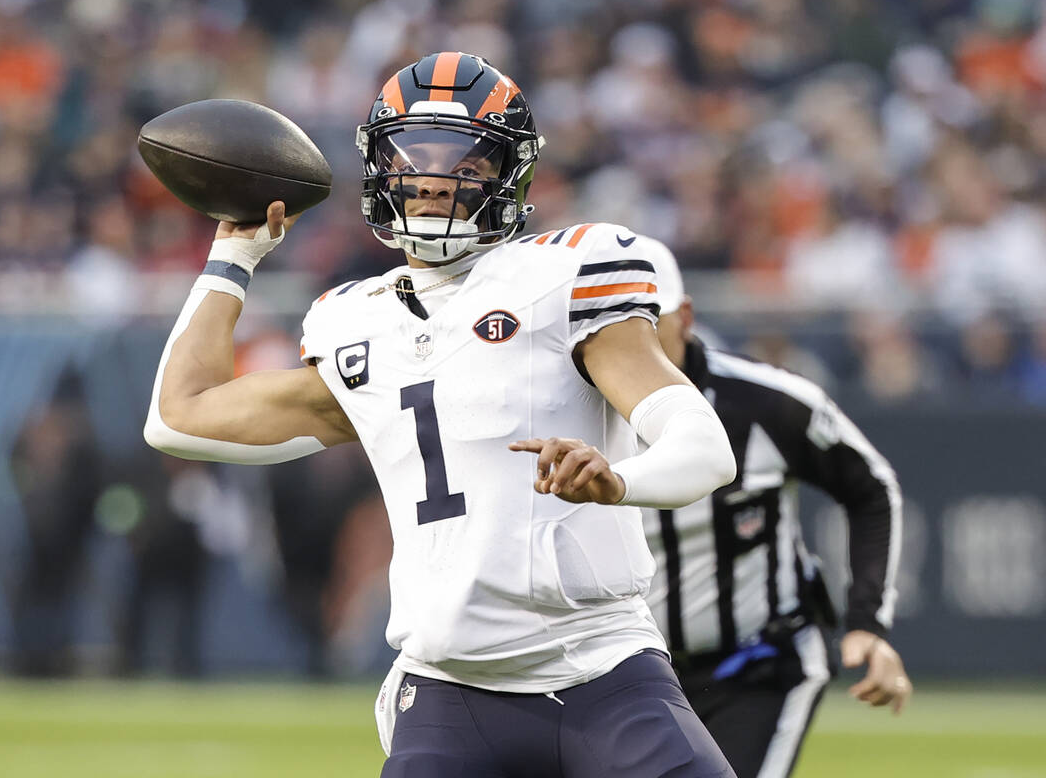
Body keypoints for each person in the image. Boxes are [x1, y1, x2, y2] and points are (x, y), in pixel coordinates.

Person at [144, 52, 739, 778]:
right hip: (450, 695)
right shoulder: (351, 323)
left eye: (464, 161)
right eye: (411, 155)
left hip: (605, 671)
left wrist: (618, 478)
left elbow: (704, 446)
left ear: (508, 176)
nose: (431, 179)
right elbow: (179, 416)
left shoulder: (565, 276)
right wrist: (234, 252)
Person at [636, 238, 912, 778]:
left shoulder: (767, 403)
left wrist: (867, 622)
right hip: (629, 675)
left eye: (649, 320)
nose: (631, 340)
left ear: (684, 317)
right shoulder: (564, 413)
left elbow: (871, 487)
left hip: (758, 664)